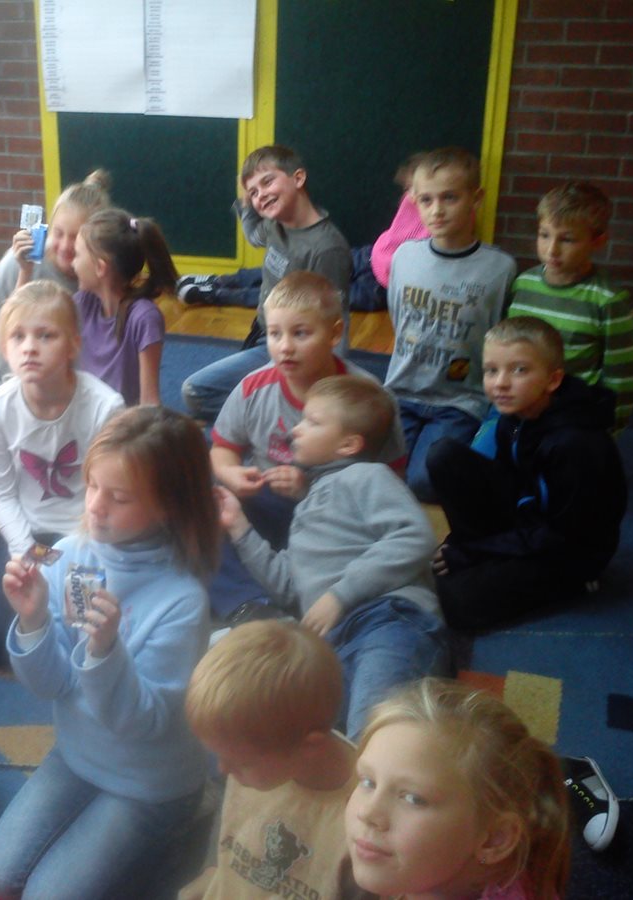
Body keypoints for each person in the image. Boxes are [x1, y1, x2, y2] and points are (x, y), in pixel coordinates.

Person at [0, 406, 220, 900]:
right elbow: (50, 685)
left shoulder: (183, 600)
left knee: (48, 895)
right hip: (77, 754)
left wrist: (107, 652)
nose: (95, 506)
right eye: (92, 486)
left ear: (168, 507)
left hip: (151, 782)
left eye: (119, 497)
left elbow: (144, 723)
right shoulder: (66, 553)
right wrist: (33, 619)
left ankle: (186, 816)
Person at [218, 375, 447, 738]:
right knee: (300, 734)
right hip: (330, 643)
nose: (296, 430)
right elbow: (289, 587)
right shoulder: (308, 504)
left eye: (312, 422)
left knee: (374, 735)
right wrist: (239, 527)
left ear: (348, 444)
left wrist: (339, 596)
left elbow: (415, 536)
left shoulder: (367, 476)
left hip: (387, 620)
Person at [209, 271, 405, 600]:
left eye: (300, 333)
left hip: (334, 519)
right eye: (274, 334)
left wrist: (310, 491)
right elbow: (222, 447)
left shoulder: (368, 397)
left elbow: (392, 480)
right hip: (266, 503)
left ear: (335, 333)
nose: (285, 347)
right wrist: (231, 473)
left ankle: (284, 591)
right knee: (205, 506)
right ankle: (250, 603)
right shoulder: (253, 388)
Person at [426, 316, 627, 631]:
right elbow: (507, 481)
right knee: (444, 455)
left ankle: (577, 584)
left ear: (553, 380)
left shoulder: (577, 445)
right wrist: (470, 548)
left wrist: (473, 552)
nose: (501, 383)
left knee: (454, 601)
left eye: (519, 370)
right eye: (492, 370)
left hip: (569, 550)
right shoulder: (516, 414)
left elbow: (563, 536)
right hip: (530, 519)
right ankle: (479, 556)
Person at [0, 281, 124, 665]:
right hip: (30, 534)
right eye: (18, 337)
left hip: (89, 532)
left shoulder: (105, 408)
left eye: (45, 335)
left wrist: (74, 554)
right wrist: (26, 551)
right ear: (4, 346)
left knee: (85, 632)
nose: (29, 347)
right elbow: (0, 494)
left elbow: (109, 494)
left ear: (73, 345)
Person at [181, 620, 368, 900]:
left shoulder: (364, 821)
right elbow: (230, 836)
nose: (223, 770)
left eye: (240, 763)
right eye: (220, 756)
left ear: (309, 747)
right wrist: (210, 875)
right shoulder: (254, 760)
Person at [346, 678, 570, 900]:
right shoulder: (422, 870)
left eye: (413, 798)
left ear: (495, 839)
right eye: (367, 782)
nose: (367, 813)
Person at [179, 144, 352, 422]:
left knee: (206, 393)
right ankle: (266, 412)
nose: (260, 195)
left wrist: (329, 389)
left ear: (298, 178)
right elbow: (254, 236)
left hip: (296, 350)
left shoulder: (327, 249)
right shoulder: (275, 224)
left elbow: (336, 320)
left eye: (267, 182)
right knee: (196, 392)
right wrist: (245, 203)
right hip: (265, 337)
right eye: (253, 192)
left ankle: (278, 413)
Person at [383, 146, 517, 501]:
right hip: (401, 392)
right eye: (426, 200)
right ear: (414, 200)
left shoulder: (500, 268)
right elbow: (400, 318)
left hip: (459, 401)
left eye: (450, 198)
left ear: (476, 198)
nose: (436, 210)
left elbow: (499, 334)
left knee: (425, 482)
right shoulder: (404, 257)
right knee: (379, 475)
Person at [508, 181, 633, 434]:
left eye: (567, 239)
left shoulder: (608, 300)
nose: (552, 249)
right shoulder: (523, 284)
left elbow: (622, 375)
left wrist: (609, 430)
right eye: (544, 235)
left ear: (598, 241)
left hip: (571, 417)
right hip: (515, 409)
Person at [0, 170, 113, 380]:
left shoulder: (103, 272)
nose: (64, 246)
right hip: (23, 376)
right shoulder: (14, 265)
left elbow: (108, 346)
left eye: (75, 238)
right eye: (58, 233)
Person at [72, 207, 177, 405]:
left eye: (77, 255)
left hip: (121, 421)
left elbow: (149, 402)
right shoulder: (81, 303)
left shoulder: (143, 318)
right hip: (84, 415)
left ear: (100, 267)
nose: (72, 263)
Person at [351, 153, 430, 312]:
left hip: (380, 285)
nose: (409, 196)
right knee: (333, 261)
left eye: (413, 189)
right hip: (370, 254)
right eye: (407, 189)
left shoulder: (435, 219)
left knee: (330, 297)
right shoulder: (411, 206)